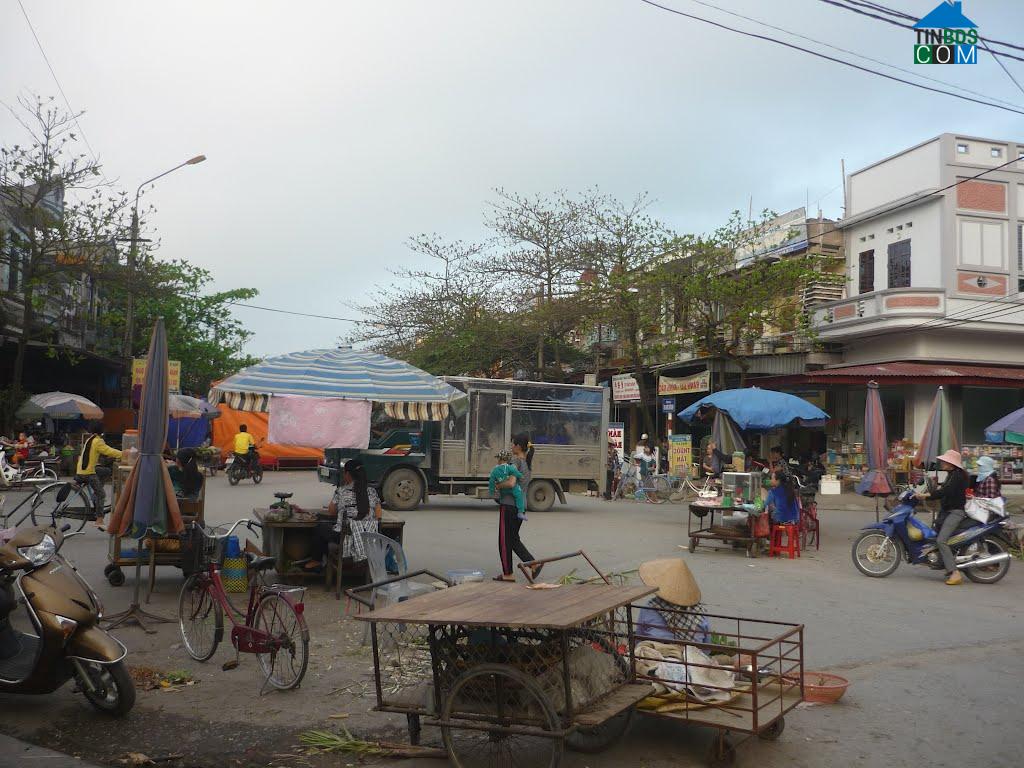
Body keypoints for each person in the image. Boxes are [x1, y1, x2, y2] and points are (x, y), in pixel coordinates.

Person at [303, 458, 381, 573]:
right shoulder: (372, 491)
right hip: (368, 539)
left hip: (345, 537)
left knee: (319, 527)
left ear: (348, 474)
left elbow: (331, 511)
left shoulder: (341, 491)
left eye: (344, 473)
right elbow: (378, 515)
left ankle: (317, 560)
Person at [915, 449, 969, 586]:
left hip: (955, 512)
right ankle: (944, 562)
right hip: (947, 511)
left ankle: (955, 573)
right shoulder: (952, 475)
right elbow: (944, 490)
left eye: (945, 461)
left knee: (941, 540)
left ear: (952, 463)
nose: (943, 463)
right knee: (934, 535)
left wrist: (927, 495)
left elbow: (946, 491)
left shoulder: (958, 476)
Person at [492, 433, 538, 581]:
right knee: (513, 539)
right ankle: (533, 564)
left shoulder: (516, 461)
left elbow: (511, 483)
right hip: (520, 507)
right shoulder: (527, 464)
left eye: (513, 444)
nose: (511, 447)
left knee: (504, 541)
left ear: (518, 446)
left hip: (509, 505)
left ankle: (508, 574)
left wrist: (498, 485)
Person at [636, 557, 710, 643]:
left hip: (655, 650)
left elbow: (639, 637)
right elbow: (706, 645)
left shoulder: (649, 608)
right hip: (691, 651)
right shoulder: (699, 613)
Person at [76, 424, 122, 530]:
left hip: (81, 470)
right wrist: (124, 454)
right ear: (101, 432)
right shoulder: (98, 441)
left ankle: (95, 494)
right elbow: (108, 451)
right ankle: (99, 520)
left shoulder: (89, 439)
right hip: (88, 473)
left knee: (105, 471)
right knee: (102, 494)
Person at [489, 450, 526, 521]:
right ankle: (520, 512)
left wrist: (492, 491)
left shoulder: (494, 470)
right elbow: (515, 472)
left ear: (500, 459)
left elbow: (491, 481)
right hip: (512, 489)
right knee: (519, 495)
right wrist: (521, 476)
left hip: (503, 489)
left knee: (503, 495)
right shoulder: (509, 467)